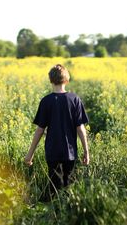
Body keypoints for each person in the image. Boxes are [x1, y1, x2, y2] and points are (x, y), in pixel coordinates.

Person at [24, 64, 89, 199]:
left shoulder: (46, 101)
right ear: (66, 80)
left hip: (52, 152)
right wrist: (86, 152)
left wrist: (30, 154)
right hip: (70, 153)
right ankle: (68, 214)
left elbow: (40, 130)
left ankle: (53, 215)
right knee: (69, 189)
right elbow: (80, 129)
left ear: (51, 80)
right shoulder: (74, 99)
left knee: (54, 188)